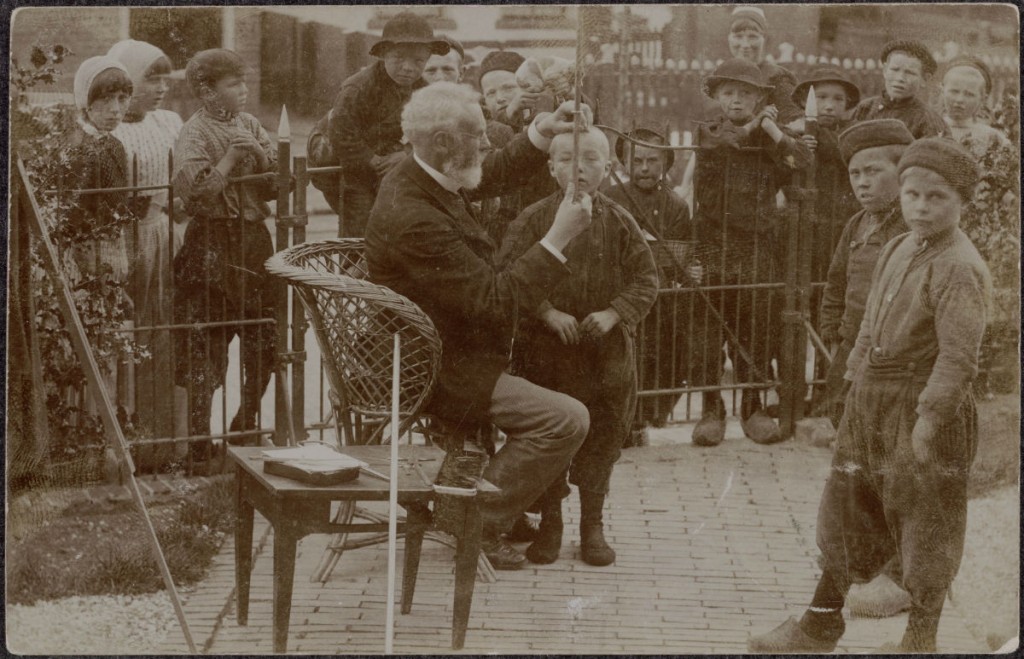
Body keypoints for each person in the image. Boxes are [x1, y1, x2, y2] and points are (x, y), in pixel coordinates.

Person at [748, 138, 991, 653]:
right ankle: (819, 625)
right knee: (847, 510)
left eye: (936, 197)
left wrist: (927, 423)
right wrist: (852, 385)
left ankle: (920, 640)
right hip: (873, 400)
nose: (921, 207)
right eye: (912, 194)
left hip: (924, 408)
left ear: (961, 203)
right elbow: (866, 327)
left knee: (925, 524)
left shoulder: (959, 267)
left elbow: (957, 359)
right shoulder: (900, 246)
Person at [365, 82, 594, 570]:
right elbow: (494, 302)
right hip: (436, 367)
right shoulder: (414, 217)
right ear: (445, 142)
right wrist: (557, 238)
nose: (490, 142)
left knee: (560, 371)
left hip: (455, 346)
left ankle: (495, 503)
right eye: (479, 134)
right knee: (566, 417)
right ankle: (471, 517)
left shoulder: (422, 175)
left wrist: (541, 132)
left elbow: (485, 175)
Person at [498, 128, 658, 566]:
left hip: (604, 357)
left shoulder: (621, 221)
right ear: (550, 167)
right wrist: (547, 311)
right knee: (552, 439)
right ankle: (551, 522)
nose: (578, 168)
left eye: (589, 159)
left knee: (602, 439)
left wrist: (613, 314)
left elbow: (647, 279)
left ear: (608, 169)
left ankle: (593, 525)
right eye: (566, 159)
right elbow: (508, 275)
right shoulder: (533, 219)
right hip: (547, 355)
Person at [690, 58, 812, 447]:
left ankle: (752, 405)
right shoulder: (709, 129)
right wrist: (757, 127)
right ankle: (712, 408)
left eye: (746, 93)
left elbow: (802, 161)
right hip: (712, 241)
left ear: (761, 97)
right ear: (716, 97)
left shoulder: (766, 133)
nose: (736, 100)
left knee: (755, 324)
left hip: (756, 243)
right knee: (709, 329)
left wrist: (772, 129)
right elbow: (728, 142)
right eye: (728, 92)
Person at [172, 49, 282, 466]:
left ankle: (246, 424)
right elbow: (193, 196)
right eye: (234, 85)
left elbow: (278, 184)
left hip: (253, 241)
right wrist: (232, 157)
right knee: (208, 344)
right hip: (212, 244)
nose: (244, 91)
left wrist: (255, 150)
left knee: (262, 338)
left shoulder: (250, 124)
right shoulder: (194, 133)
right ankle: (199, 442)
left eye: (244, 82)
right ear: (206, 92)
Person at [108, 39, 187, 459]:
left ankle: (160, 443)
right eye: (150, 78)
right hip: (122, 240)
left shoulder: (169, 122)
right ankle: (122, 442)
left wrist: (177, 216)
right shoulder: (108, 128)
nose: (161, 88)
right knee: (124, 331)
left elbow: (184, 182)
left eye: (164, 79)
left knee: (159, 332)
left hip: (164, 237)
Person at [819, 119, 914, 429]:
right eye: (855, 174)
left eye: (873, 172)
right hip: (851, 342)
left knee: (881, 421)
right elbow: (836, 282)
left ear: (902, 174)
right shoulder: (856, 224)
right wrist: (833, 333)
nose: (862, 183)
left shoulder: (913, 226)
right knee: (840, 409)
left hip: (892, 348)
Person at [605, 129, 698, 436]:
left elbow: (674, 257)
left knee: (665, 353)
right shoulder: (610, 197)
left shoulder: (675, 205)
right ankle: (624, 421)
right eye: (638, 160)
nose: (644, 168)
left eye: (652, 160)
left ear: (665, 163)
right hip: (616, 294)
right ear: (626, 163)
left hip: (660, 296)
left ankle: (648, 415)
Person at [327, 12, 449, 237]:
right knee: (359, 238)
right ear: (383, 54)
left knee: (401, 234)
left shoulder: (423, 91)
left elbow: (431, 132)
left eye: (418, 61)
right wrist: (371, 159)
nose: (408, 67)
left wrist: (407, 153)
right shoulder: (358, 88)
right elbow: (340, 132)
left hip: (400, 173)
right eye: (398, 58)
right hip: (360, 177)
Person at [63, 56, 135, 421]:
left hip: (105, 254)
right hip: (90, 259)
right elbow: (84, 213)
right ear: (86, 102)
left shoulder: (109, 144)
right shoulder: (87, 146)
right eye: (105, 101)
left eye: (122, 100)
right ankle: (93, 427)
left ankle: (97, 425)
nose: (116, 109)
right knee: (95, 344)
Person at [851, 40, 947, 138]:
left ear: (924, 79)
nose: (900, 78)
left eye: (910, 73)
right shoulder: (865, 108)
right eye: (895, 69)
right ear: (885, 70)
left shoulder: (927, 119)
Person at [725, 6, 802, 125]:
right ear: (729, 39)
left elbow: (796, 124)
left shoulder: (778, 77)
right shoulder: (719, 77)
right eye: (738, 36)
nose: (745, 44)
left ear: (764, 39)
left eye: (753, 36)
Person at [940, 55, 1010, 158]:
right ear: (942, 91)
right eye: (954, 91)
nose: (960, 100)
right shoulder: (929, 129)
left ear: (983, 99)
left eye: (969, 94)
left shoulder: (994, 138)